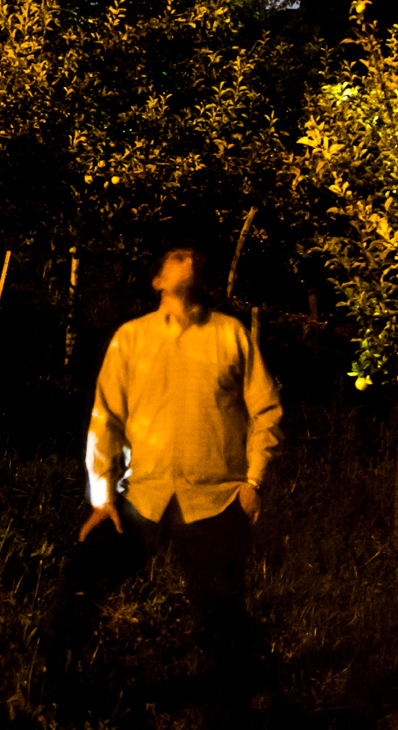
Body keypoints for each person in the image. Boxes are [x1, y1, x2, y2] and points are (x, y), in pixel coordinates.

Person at [46, 240, 282, 703]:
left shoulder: (231, 335)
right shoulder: (131, 339)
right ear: (157, 280)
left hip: (214, 501)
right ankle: (52, 694)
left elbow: (267, 410)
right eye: (174, 255)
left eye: (193, 255)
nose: (186, 256)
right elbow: (105, 418)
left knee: (222, 618)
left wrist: (254, 481)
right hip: (140, 499)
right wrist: (102, 497)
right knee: (79, 585)